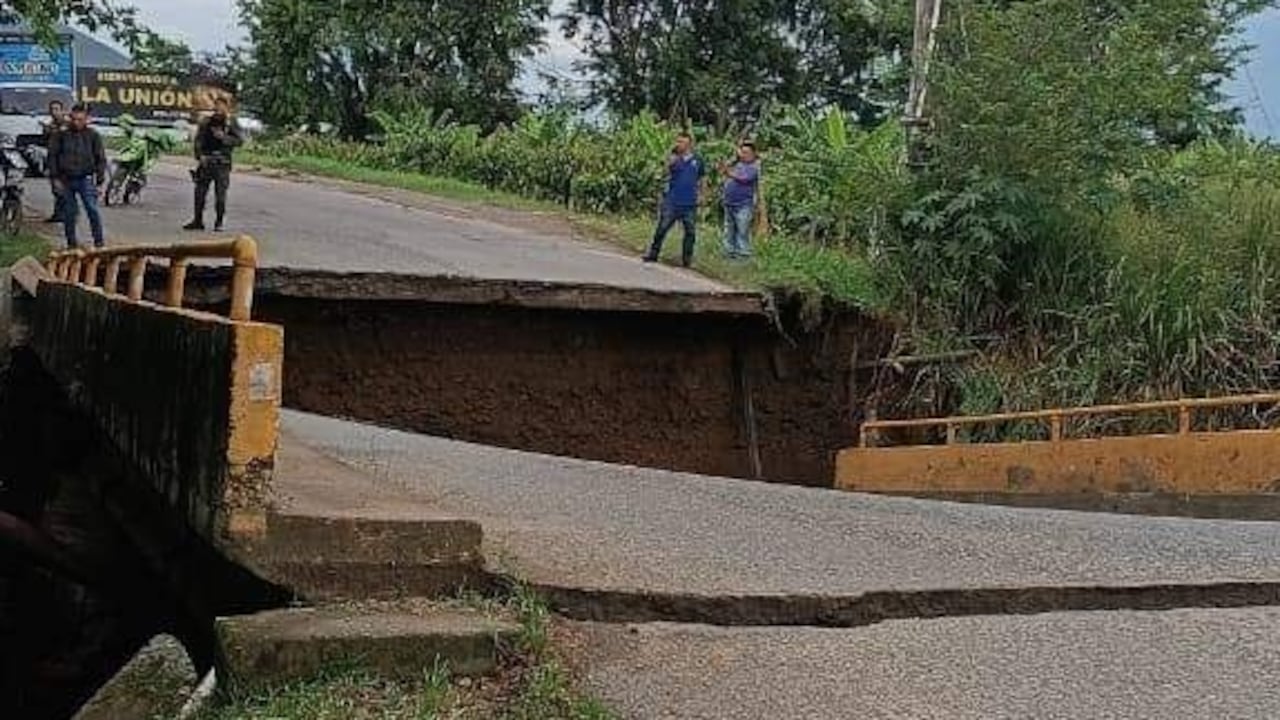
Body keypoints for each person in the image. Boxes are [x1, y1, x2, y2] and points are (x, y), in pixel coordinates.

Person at [48, 104, 107, 249]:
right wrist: (55, 178)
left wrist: (100, 182)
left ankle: (99, 242)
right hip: (65, 179)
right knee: (70, 213)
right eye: (74, 119)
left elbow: (100, 159)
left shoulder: (93, 136)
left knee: (92, 209)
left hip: (85, 178)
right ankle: (71, 243)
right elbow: (52, 157)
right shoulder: (61, 135)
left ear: (86, 119)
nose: (76, 123)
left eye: (80, 119)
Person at [643, 132, 705, 267]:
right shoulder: (673, 159)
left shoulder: (698, 160)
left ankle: (687, 260)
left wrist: (702, 195)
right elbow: (664, 174)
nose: (679, 144)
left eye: (682, 142)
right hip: (672, 200)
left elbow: (701, 179)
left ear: (689, 144)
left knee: (690, 232)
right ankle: (653, 254)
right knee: (662, 228)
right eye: (678, 141)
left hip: (689, 202)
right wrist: (669, 163)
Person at [184, 97, 243, 232]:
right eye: (216, 106)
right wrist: (200, 156)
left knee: (220, 195)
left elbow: (239, 141)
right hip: (206, 161)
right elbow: (198, 140)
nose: (218, 108)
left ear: (227, 108)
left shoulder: (230, 123)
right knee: (199, 193)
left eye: (221, 106)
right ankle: (198, 220)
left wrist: (223, 137)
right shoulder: (206, 122)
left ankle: (219, 222)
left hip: (222, 163)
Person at [717, 141, 761, 259]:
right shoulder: (737, 164)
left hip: (744, 204)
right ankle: (728, 252)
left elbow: (744, 179)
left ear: (753, 154)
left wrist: (729, 174)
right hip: (729, 202)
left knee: (742, 230)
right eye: (742, 152)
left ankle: (743, 254)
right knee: (729, 229)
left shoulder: (754, 167)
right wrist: (727, 164)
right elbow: (723, 171)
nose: (743, 154)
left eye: (746, 152)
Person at [42, 100, 67, 223]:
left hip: (66, 161)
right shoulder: (50, 126)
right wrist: (47, 131)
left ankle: (67, 214)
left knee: (63, 189)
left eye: (57, 109)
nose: (54, 112)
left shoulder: (68, 125)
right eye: (52, 109)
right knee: (56, 189)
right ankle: (58, 214)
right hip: (53, 160)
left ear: (62, 110)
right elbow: (46, 143)